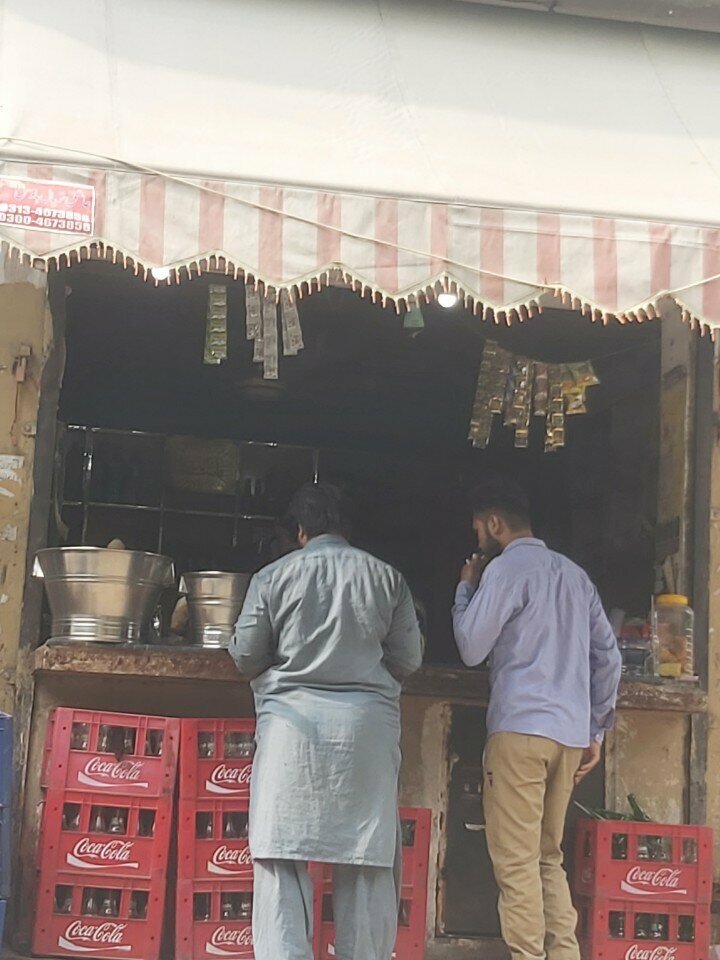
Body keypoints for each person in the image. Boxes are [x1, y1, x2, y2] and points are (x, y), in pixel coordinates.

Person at [230, 481, 423, 960]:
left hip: (290, 731)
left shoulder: (272, 578)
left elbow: (246, 657)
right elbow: (410, 659)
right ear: (347, 529)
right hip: (366, 734)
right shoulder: (387, 578)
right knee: (366, 860)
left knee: (281, 858)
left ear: (299, 531)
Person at [452, 478, 622, 960]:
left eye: (478, 528)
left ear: (494, 523)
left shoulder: (505, 571)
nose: (478, 538)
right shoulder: (575, 576)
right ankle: (563, 954)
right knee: (549, 858)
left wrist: (466, 589)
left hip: (521, 730)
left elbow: (470, 647)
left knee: (516, 863)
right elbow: (609, 658)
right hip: (569, 736)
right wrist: (596, 729)